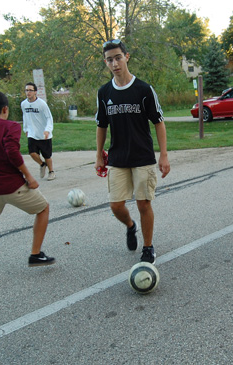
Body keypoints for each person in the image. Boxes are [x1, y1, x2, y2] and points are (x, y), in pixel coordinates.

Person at [0, 91, 55, 292]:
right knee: (43, 209)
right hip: (13, 187)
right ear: (5, 109)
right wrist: (29, 177)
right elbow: (12, 153)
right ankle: (35, 253)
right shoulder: (11, 127)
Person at [95, 39, 170, 264]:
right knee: (116, 205)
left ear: (126, 57)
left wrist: (164, 155)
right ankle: (130, 226)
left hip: (142, 156)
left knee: (143, 203)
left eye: (118, 57)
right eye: (110, 59)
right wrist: (99, 154)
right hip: (117, 157)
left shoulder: (144, 90)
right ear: (106, 62)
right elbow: (101, 124)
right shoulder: (104, 92)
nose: (115, 63)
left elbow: (159, 122)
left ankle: (148, 247)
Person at [21, 82, 55, 181]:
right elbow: (25, 117)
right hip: (32, 133)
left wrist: (47, 130)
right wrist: (26, 128)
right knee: (32, 153)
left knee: (47, 155)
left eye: (30, 90)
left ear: (35, 92)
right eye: (26, 90)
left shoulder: (42, 104)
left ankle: (51, 171)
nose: (28, 92)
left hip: (43, 134)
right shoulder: (24, 104)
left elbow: (49, 118)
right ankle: (42, 164)